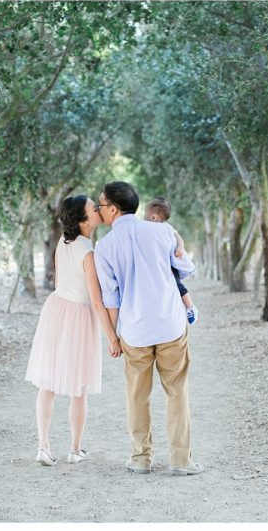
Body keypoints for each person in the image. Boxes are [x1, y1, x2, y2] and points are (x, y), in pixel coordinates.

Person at [94, 181, 204, 476]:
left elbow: (111, 297)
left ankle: (141, 459)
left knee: (136, 395)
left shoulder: (104, 247)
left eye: (100, 205)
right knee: (177, 391)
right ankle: (181, 461)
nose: (97, 209)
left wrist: (113, 336)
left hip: (134, 330)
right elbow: (185, 270)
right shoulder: (163, 231)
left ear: (113, 209)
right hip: (170, 324)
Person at [25, 195, 121, 466]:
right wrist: (112, 336)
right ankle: (75, 449)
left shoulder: (63, 242)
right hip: (78, 315)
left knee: (49, 383)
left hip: (56, 309)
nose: (98, 209)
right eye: (93, 208)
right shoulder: (88, 253)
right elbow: (96, 300)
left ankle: (43, 446)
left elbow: (60, 279)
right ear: (83, 221)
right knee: (78, 388)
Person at [144, 196, 198, 325]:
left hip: (171, 263)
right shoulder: (146, 229)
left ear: (154, 217)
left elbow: (178, 237)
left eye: (145, 213)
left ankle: (190, 307)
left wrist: (180, 247)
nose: (143, 216)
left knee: (178, 285)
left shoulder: (166, 227)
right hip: (161, 263)